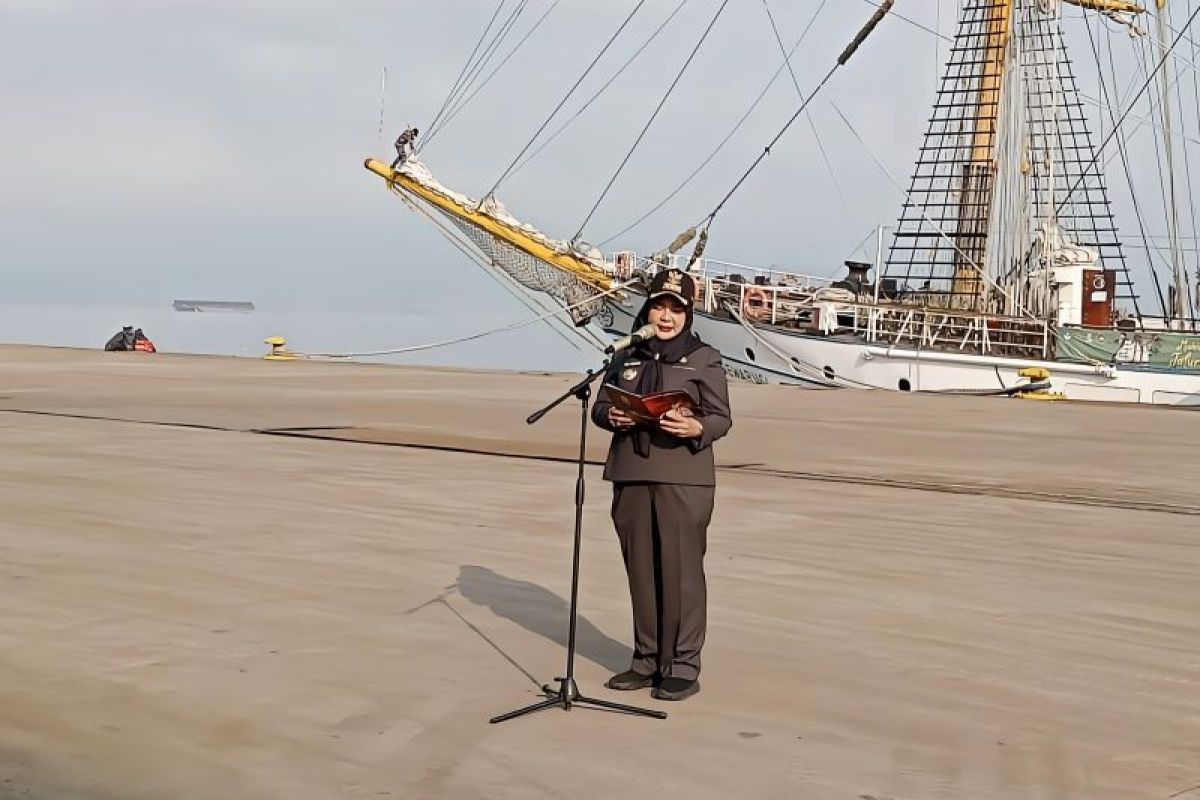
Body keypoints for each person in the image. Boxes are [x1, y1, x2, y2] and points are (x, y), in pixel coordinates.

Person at [591, 268, 732, 701]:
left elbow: (720, 418)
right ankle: (646, 660)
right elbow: (600, 404)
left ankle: (683, 665)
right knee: (642, 572)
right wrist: (609, 416)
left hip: (683, 476)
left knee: (681, 571)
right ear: (647, 308)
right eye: (659, 306)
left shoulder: (704, 357)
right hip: (631, 472)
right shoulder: (625, 355)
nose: (666, 317)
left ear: (688, 314)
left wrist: (694, 426)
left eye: (676, 309)